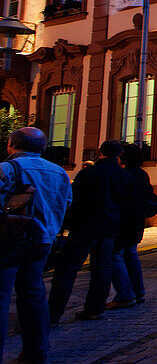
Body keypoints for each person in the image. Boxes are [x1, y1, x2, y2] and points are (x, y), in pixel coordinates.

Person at [0, 127, 72, 363]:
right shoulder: (59, 172)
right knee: (33, 293)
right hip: (42, 240)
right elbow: (66, 202)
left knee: (2, 297)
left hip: (8, 240)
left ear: (12, 144)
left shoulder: (7, 168)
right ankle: (36, 351)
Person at [49, 140, 134, 323]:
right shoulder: (124, 176)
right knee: (102, 269)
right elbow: (127, 205)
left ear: (99, 152)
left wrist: (65, 225)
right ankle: (94, 309)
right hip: (109, 227)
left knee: (67, 269)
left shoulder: (88, 173)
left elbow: (74, 201)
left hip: (85, 226)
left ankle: (53, 313)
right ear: (119, 154)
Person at [109, 143, 157, 308]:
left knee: (115, 255)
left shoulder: (123, 175)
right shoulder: (142, 175)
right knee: (130, 254)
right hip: (136, 221)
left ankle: (124, 294)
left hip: (122, 221)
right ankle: (138, 292)